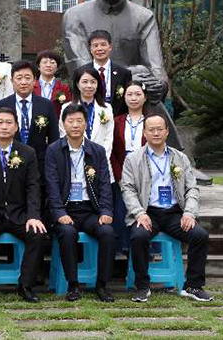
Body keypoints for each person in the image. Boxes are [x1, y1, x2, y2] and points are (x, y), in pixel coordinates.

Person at [121, 113, 212, 303]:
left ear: (167, 131)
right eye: (151, 130)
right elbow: (127, 189)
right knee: (138, 236)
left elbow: (192, 188)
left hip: (174, 213)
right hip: (148, 212)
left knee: (200, 235)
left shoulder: (180, 157)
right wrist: (139, 213)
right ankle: (142, 286)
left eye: (159, 129)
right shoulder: (133, 159)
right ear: (144, 133)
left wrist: (189, 213)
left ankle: (193, 286)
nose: (156, 133)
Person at [62, 0, 168, 104]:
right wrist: (129, 75)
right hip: (93, 98)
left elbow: (155, 67)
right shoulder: (74, 16)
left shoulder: (144, 17)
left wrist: (159, 86)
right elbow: (82, 69)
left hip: (135, 97)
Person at [0, 107, 47, 303]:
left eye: (9, 123)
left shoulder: (27, 153)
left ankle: (25, 286)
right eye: (0, 122)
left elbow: (33, 187)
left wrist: (33, 216)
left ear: (16, 127)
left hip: (19, 214)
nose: (4, 127)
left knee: (37, 234)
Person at [45, 103, 115, 303]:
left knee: (108, 233)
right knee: (67, 233)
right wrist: (59, 213)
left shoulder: (97, 151)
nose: (75, 125)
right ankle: (73, 284)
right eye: (71, 121)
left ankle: (101, 284)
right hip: (66, 209)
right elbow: (51, 186)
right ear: (63, 124)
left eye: (79, 121)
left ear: (86, 124)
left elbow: (105, 184)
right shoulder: (54, 150)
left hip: (90, 210)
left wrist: (106, 211)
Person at [0, 60, 59, 178]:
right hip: (9, 164)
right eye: (19, 78)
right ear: (12, 81)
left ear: (34, 80)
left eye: (27, 78)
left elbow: (54, 138)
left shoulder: (46, 105)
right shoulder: (2, 105)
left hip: (39, 166)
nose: (23, 82)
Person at [111, 81, 149, 254]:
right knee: (121, 208)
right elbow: (111, 152)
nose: (134, 98)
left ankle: (146, 250)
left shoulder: (152, 121)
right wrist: (119, 177)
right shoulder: (116, 121)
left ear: (145, 97)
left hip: (146, 171)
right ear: (124, 97)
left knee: (144, 207)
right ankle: (123, 247)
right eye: (130, 94)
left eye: (138, 94)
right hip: (122, 170)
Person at [60, 67, 114, 179]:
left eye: (93, 82)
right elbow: (63, 135)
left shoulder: (107, 108)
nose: (89, 86)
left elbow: (109, 138)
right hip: (75, 163)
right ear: (77, 84)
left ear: (98, 85)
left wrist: (100, 158)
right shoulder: (66, 107)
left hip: (101, 164)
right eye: (85, 82)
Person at [77, 30, 132, 117]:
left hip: (117, 118)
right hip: (89, 116)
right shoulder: (81, 72)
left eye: (103, 45)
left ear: (110, 47)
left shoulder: (124, 73)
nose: (99, 49)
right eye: (95, 45)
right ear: (90, 49)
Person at [34, 50, 72, 118]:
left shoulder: (64, 88)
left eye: (52, 62)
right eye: (45, 62)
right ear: (38, 67)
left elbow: (68, 110)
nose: (48, 65)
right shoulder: (31, 87)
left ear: (57, 68)